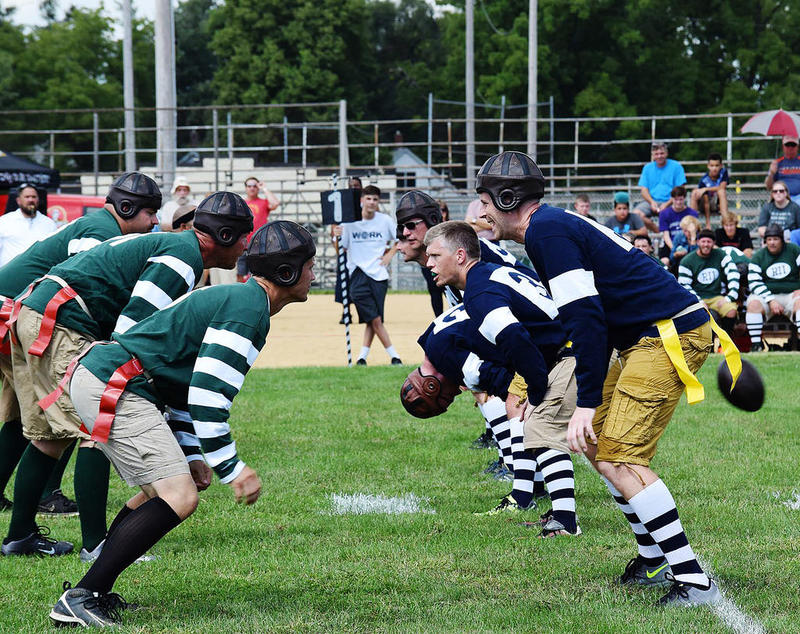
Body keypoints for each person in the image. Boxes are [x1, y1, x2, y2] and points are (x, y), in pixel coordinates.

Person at [475, 150, 739, 606]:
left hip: (665, 334)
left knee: (621, 455)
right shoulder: (549, 228)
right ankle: (654, 556)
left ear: (507, 195)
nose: (479, 211)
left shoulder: (547, 231)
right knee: (597, 442)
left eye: (483, 199)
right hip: (644, 336)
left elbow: (587, 319)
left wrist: (584, 401)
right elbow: (589, 318)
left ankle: (694, 580)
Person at [48, 220, 315, 628]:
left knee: (159, 492)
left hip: (113, 380)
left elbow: (188, 387)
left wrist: (192, 454)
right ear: (287, 272)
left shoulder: (245, 302)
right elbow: (208, 397)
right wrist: (232, 467)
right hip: (116, 383)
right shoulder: (247, 311)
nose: (313, 275)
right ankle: (81, 596)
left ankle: (95, 591)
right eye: (308, 265)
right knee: (180, 496)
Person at [2, 190, 252, 559]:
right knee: (98, 421)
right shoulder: (184, 257)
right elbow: (134, 331)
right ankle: (97, 545)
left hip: (39, 314)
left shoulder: (176, 246)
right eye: (244, 236)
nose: (247, 246)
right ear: (226, 237)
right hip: (60, 322)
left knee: (52, 433)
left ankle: (20, 535)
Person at [0, 173, 162, 518]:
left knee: (24, 414)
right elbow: (85, 287)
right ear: (127, 207)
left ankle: (22, 499)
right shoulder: (100, 233)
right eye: (150, 212)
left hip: (13, 311)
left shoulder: (99, 225)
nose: (155, 221)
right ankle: (46, 495)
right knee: (66, 410)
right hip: (15, 314)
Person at [422, 221, 580, 536]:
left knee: (542, 424)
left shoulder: (478, 293)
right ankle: (551, 509)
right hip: (568, 344)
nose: (428, 264)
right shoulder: (487, 276)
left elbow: (515, 339)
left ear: (460, 256)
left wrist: (535, 391)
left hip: (570, 350)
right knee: (565, 432)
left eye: (435, 256)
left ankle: (562, 519)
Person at [332, 185, 400, 365]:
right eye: (368, 198)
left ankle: (362, 357)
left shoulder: (385, 220)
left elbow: (400, 240)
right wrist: (336, 236)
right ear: (361, 200)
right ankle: (394, 356)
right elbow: (340, 250)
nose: (371, 202)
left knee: (373, 319)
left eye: (375, 199)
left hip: (379, 274)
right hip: (357, 274)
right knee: (375, 319)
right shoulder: (349, 222)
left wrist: (389, 255)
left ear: (378, 202)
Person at [744, 224, 800, 352]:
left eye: (775, 239)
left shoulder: (794, 250)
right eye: (769, 239)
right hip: (766, 295)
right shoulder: (758, 257)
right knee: (753, 304)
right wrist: (770, 300)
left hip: (791, 294)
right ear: (765, 241)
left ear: (782, 240)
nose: (772, 243)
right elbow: (754, 282)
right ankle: (756, 345)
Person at [677, 229, 740, 337]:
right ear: (697, 242)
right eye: (703, 241)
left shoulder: (720, 254)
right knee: (704, 315)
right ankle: (707, 347)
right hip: (696, 298)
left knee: (731, 310)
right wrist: (699, 301)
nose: (706, 245)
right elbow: (684, 286)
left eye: (709, 242)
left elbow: (733, 273)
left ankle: (725, 341)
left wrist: (729, 297)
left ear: (713, 243)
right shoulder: (687, 261)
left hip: (716, 296)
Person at [0, 184, 58, 267]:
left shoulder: (49, 223)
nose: (31, 200)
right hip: (9, 275)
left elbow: (53, 252)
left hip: (38, 275)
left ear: (38, 200)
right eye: (27, 197)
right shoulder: (5, 221)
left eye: (34, 197)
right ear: (18, 200)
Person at [236, 177, 281, 282]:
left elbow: (275, 203)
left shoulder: (263, 202)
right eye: (249, 186)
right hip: (243, 243)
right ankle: (239, 295)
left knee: (258, 273)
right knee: (240, 273)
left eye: (255, 186)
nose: (252, 188)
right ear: (246, 188)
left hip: (259, 244)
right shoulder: (241, 203)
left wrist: (264, 188)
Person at [634, 141, 687, 219]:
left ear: (666, 153)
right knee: (635, 214)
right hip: (651, 202)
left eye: (662, 153)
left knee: (680, 214)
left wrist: (667, 203)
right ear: (653, 156)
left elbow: (681, 189)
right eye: (656, 154)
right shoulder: (647, 168)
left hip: (672, 201)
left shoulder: (676, 166)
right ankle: (655, 229)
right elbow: (644, 190)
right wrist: (652, 202)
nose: (659, 156)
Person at [659, 186, 699, 265]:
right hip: (670, 243)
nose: (678, 202)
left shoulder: (692, 213)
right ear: (672, 199)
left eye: (680, 199)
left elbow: (694, 232)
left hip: (688, 242)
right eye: (676, 199)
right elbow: (666, 236)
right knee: (664, 261)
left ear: (684, 198)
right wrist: (675, 249)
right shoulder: (664, 213)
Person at [690, 153, 729, 228]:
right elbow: (705, 200)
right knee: (695, 193)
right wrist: (708, 222)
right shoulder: (704, 180)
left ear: (721, 166)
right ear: (708, 166)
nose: (714, 168)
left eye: (717, 166)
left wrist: (705, 188)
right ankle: (692, 224)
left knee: (722, 192)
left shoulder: (723, 173)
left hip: (717, 202)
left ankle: (726, 222)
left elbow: (722, 187)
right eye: (712, 166)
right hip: (704, 205)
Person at [765, 134, 800, 205]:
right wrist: (771, 173)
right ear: (783, 147)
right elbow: (768, 186)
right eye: (787, 145)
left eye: (793, 145)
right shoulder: (777, 163)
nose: (790, 148)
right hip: (781, 196)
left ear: (797, 147)